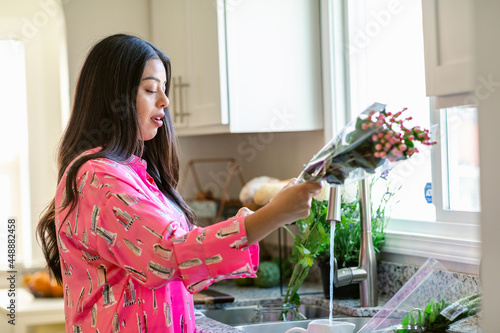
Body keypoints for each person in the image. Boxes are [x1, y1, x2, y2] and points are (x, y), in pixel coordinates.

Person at [37, 34, 321, 333]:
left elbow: (182, 262)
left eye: (164, 89)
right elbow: (168, 257)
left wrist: (255, 221)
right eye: (150, 89)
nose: (165, 101)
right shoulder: (99, 178)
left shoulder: (130, 173)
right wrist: (273, 214)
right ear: (113, 98)